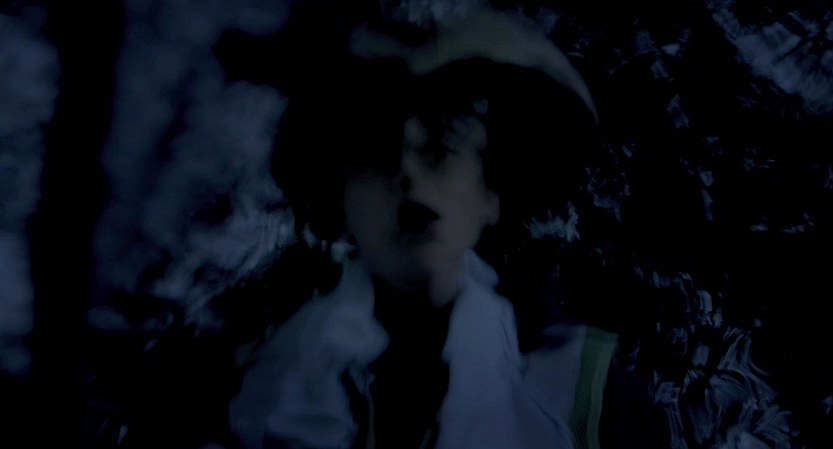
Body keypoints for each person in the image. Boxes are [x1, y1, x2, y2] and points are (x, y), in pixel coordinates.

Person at [227, 4, 666, 449]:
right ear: (341, 200)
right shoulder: (259, 390)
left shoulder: (587, 394)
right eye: (376, 150)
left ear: (490, 195)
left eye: (442, 142)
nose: (408, 174)